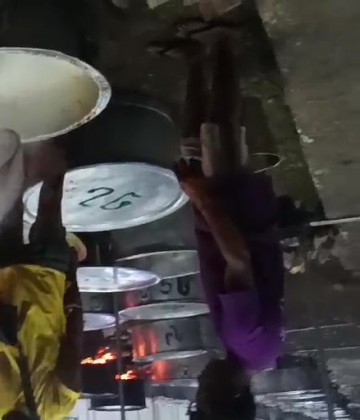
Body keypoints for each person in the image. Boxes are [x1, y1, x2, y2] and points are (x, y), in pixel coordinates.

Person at [152, 20, 284, 420]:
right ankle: (225, 39)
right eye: (205, 390)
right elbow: (238, 259)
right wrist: (203, 198)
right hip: (232, 210)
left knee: (194, 139)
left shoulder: (260, 356)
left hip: (229, 215)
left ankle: (194, 59)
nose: (200, 380)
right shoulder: (242, 336)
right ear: (232, 394)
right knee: (220, 125)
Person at [0, 147, 86, 420]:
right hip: (16, 277)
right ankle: (28, 143)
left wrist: (71, 276)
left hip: (40, 275)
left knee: (43, 201)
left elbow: (74, 341)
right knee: (17, 203)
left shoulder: (54, 406)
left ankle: (34, 144)